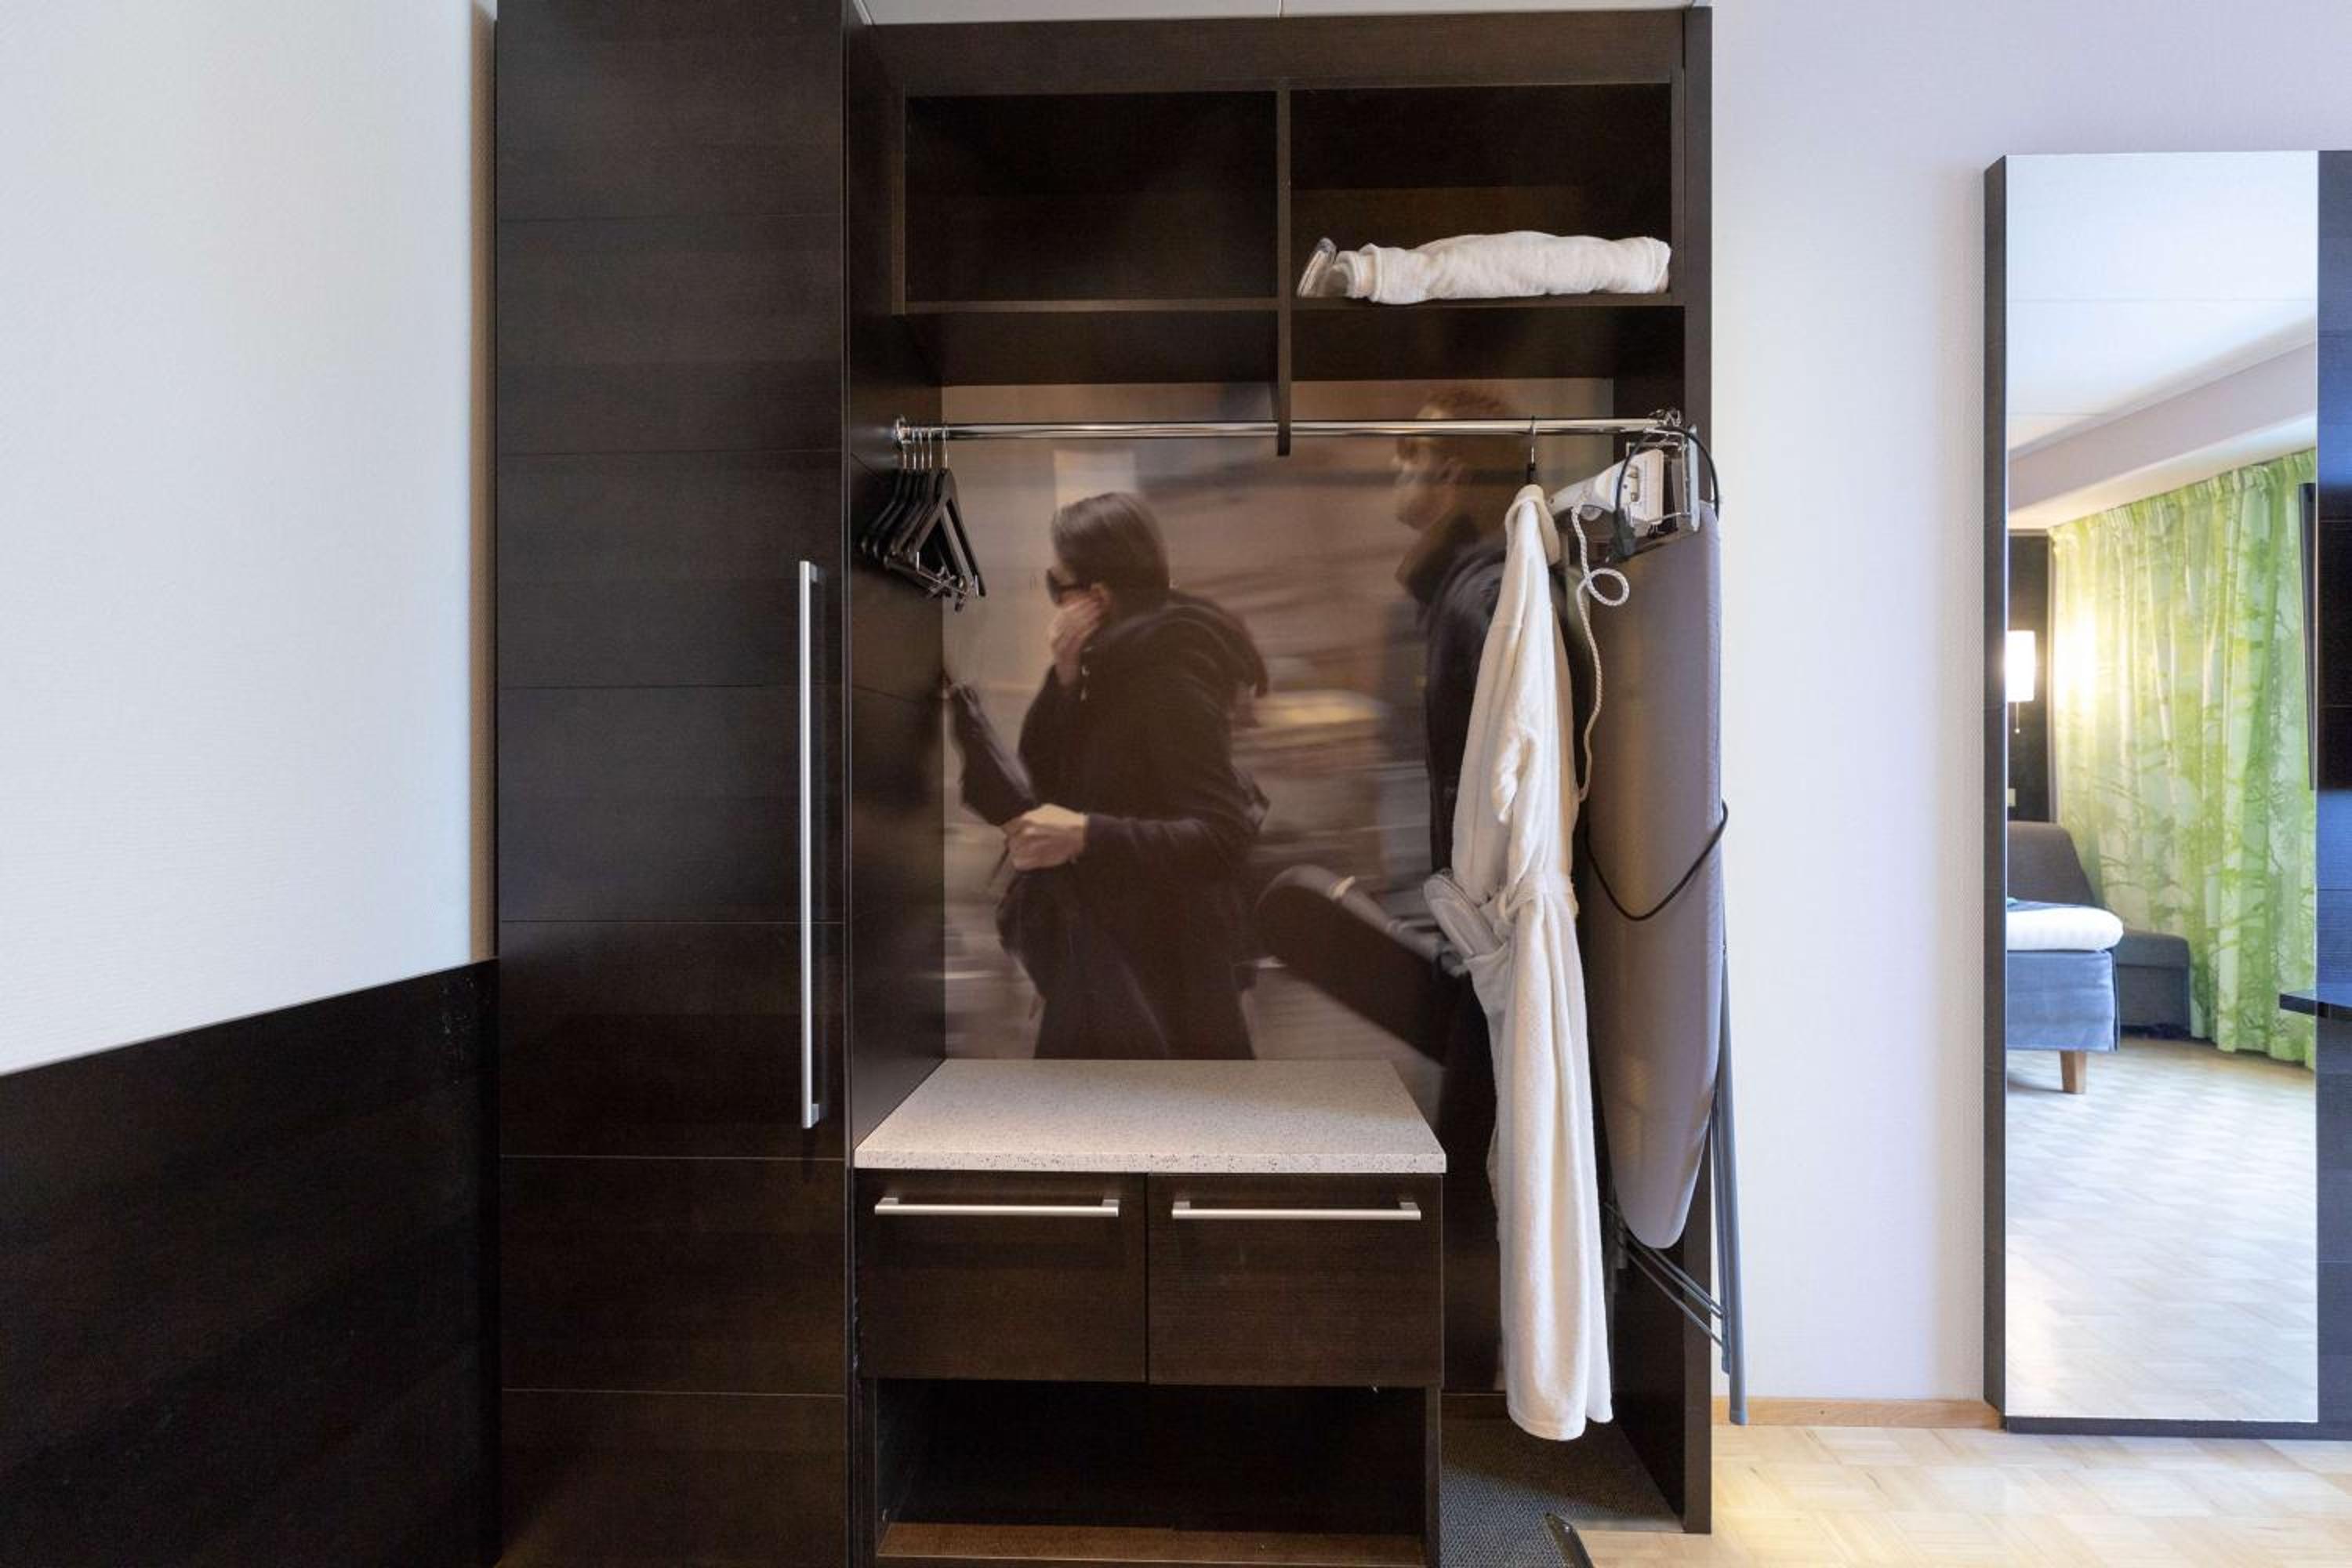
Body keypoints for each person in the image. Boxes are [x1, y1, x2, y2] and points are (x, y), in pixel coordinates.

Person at [1004, 492, 1268, 1058]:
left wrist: (1086, 835)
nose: (1055, 603)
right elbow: (1045, 777)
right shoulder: (1106, 670)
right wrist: (1064, 678)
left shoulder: (1167, 676)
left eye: (1057, 586)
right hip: (1116, 967)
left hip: (1168, 984)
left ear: (1098, 597)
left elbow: (1222, 836)